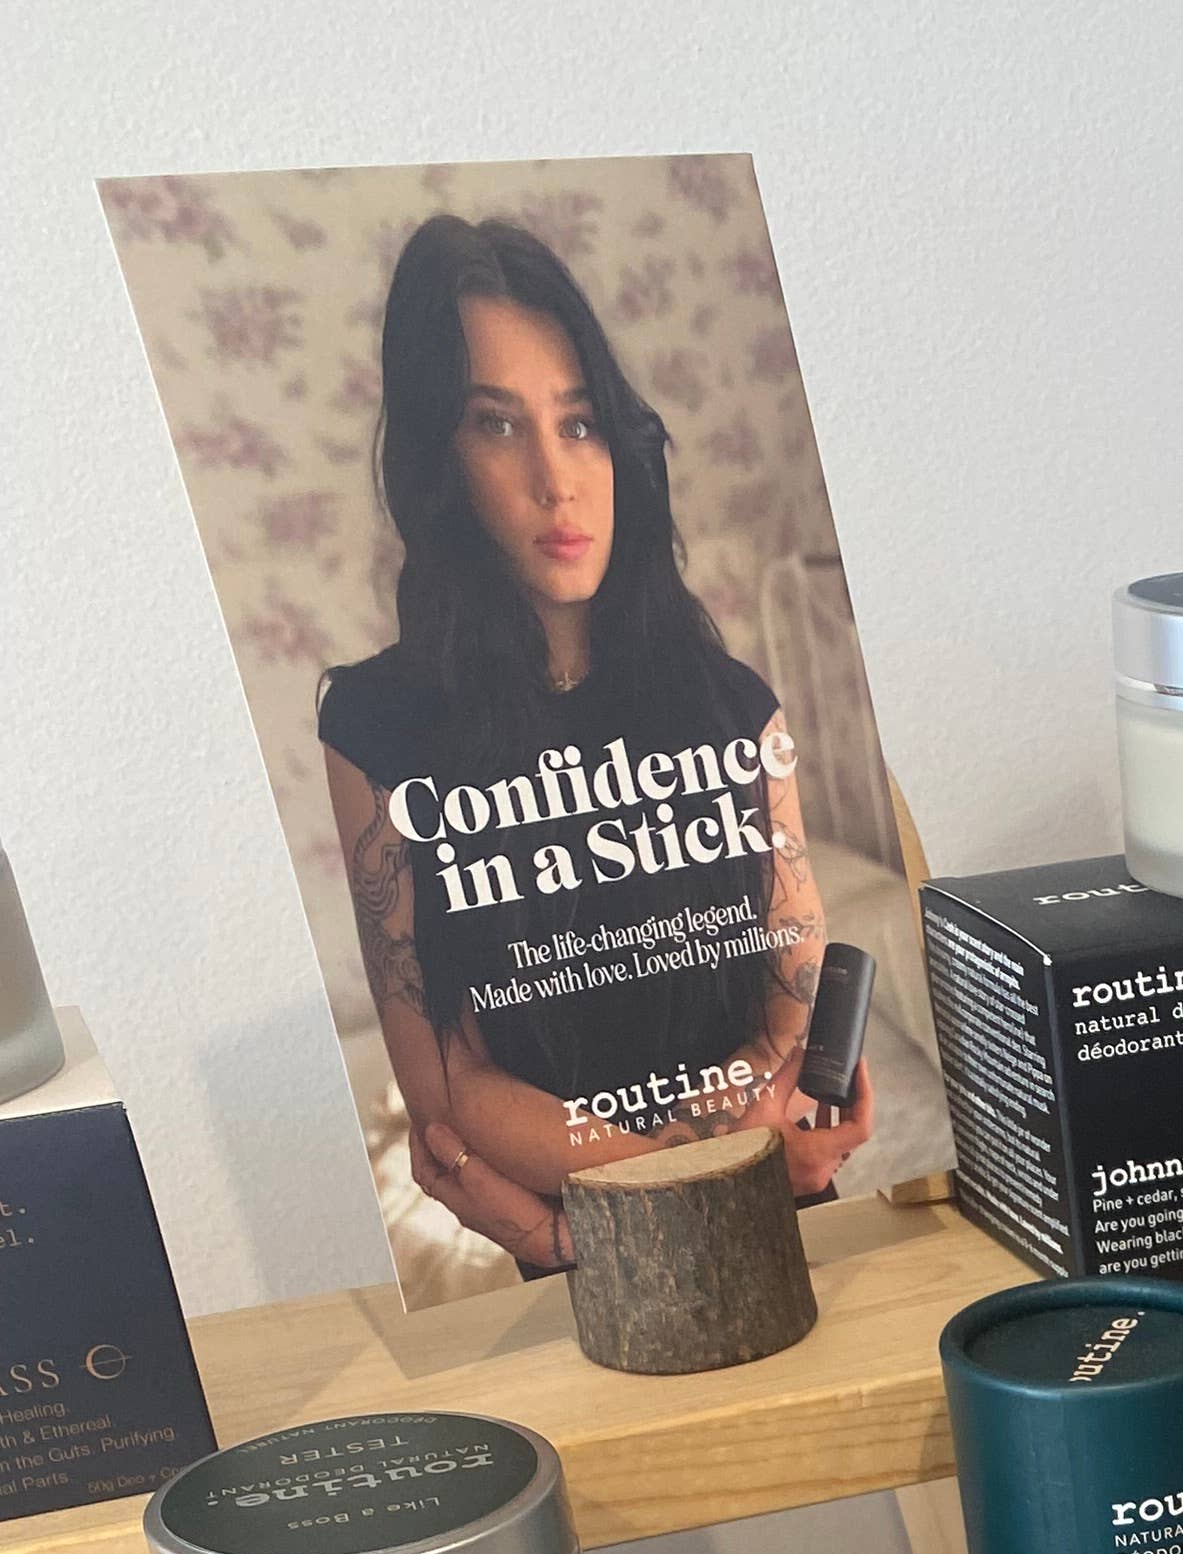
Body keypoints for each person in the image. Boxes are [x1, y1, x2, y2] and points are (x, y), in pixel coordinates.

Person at [320, 211, 871, 1278]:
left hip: (776, 1217)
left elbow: (793, 1024)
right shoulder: (378, 729)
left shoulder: (734, 708)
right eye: (497, 424)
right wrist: (690, 1189)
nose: (556, 479)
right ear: (440, 460)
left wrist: (671, 1187)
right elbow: (448, 1093)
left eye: (578, 424)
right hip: (595, 1258)